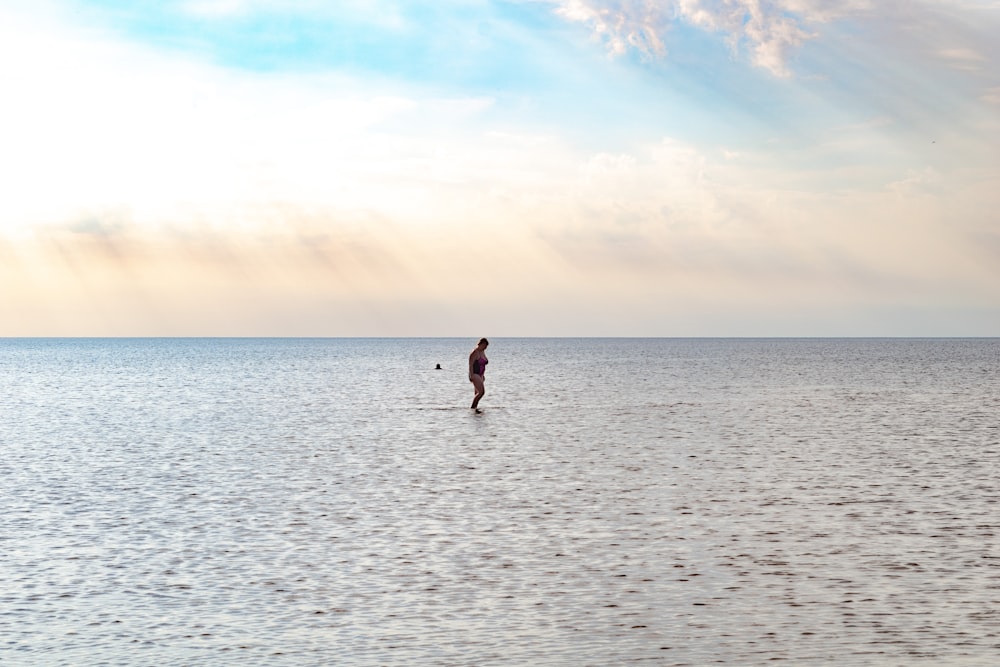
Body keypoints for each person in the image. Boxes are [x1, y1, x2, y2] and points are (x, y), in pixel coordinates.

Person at [468, 338, 489, 410]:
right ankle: (472, 408)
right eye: (485, 346)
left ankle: (475, 410)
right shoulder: (475, 352)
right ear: (481, 344)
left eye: (486, 347)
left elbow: (483, 364)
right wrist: (471, 375)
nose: (485, 348)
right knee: (481, 392)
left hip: (481, 375)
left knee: (477, 393)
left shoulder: (482, 352)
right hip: (475, 374)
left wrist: (483, 376)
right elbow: (470, 365)